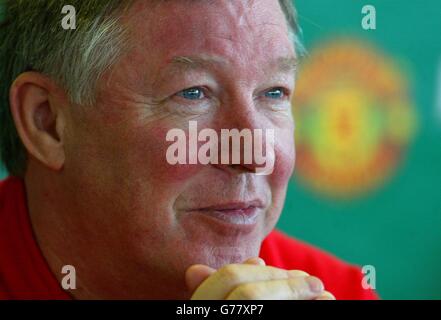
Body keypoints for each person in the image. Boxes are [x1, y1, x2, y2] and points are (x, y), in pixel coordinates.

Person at [0, 0, 378, 299]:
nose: (255, 155)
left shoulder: (335, 291)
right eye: (193, 94)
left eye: (273, 93)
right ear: (48, 123)